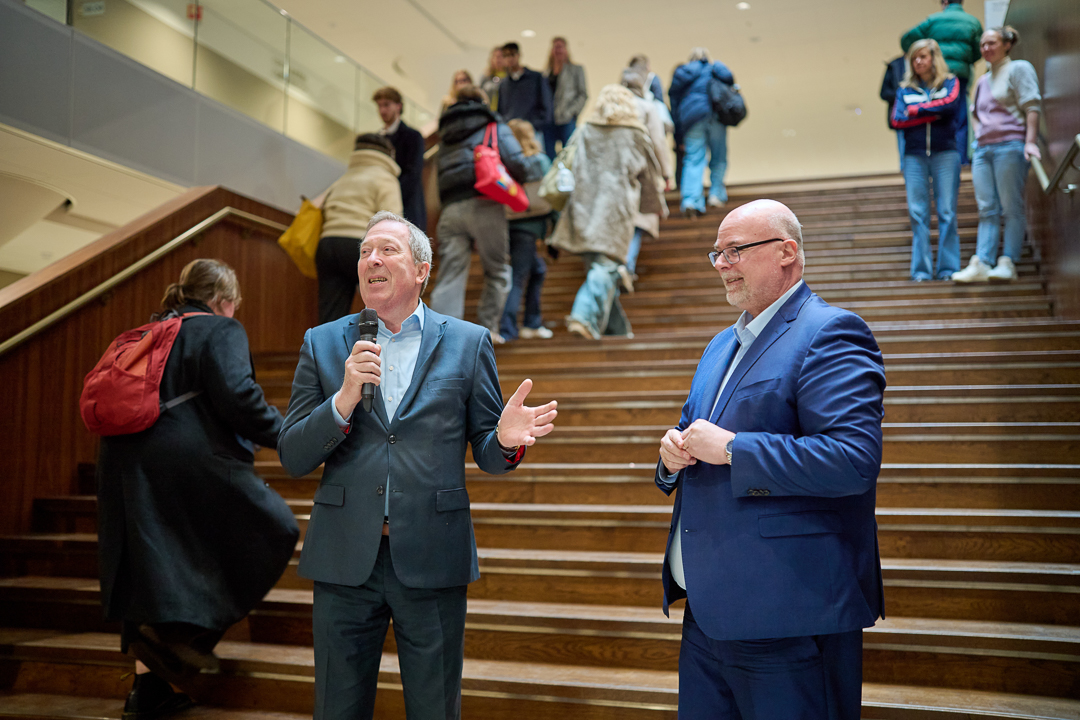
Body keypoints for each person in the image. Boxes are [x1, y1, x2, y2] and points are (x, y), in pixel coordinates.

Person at [277, 211, 558, 720]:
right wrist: (342, 399)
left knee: (434, 708)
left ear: (422, 270)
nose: (372, 260)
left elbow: (489, 453)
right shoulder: (323, 341)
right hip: (344, 558)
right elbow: (293, 455)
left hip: (433, 556)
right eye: (365, 251)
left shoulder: (468, 342)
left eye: (387, 250)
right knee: (337, 708)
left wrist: (505, 440)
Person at [656, 200, 886, 720]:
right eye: (717, 253)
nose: (721, 264)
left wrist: (733, 449)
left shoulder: (831, 332)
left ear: (787, 251)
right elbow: (694, 433)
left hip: (788, 612)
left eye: (735, 250)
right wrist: (671, 455)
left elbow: (852, 459)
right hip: (708, 611)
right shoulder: (721, 344)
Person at [96, 259, 298, 720]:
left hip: (122, 459)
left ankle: (148, 692)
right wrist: (292, 436)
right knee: (275, 528)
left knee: (150, 567)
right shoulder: (219, 328)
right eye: (236, 304)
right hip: (185, 459)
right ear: (224, 300)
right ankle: (177, 642)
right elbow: (239, 397)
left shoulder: (148, 333)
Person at [548, 84, 665, 340]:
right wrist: (655, 207)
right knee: (607, 266)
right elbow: (649, 176)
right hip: (616, 210)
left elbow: (568, 162)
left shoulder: (585, 129)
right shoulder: (635, 133)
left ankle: (618, 332)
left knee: (599, 267)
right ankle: (583, 317)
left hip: (583, 206)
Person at [429, 84, 531, 343]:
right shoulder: (492, 125)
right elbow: (518, 163)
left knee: (451, 274)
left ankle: (443, 336)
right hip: (486, 203)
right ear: (483, 102)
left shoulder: (445, 133)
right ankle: (487, 330)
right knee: (497, 270)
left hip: (451, 209)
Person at [952, 26, 1042, 284]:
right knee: (987, 208)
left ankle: (1008, 262)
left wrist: (1030, 142)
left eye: (992, 43)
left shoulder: (1018, 69)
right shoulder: (983, 80)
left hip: (1010, 146)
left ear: (1007, 44)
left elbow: (1032, 105)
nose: (986, 48)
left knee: (1011, 206)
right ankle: (982, 262)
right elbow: (975, 113)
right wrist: (979, 137)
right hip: (983, 151)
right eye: (983, 44)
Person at [891, 39, 963, 282]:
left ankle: (948, 269)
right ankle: (921, 271)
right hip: (914, 156)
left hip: (946, 154)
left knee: (947, 211)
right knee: (917, 213)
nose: (918, 62)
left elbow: (951, 107)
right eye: (914, 58)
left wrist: (917, 110)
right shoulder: (904, 89)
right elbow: (897, 120)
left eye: (922, 56)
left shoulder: (950, 82)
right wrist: (934, 113)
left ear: (934, 58)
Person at [316, 133, 403, 324]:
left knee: (331, 315)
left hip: (327, 244)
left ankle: (328, 344)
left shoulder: (343, 179)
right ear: (388, 154)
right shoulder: (385, 178)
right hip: (360, 245)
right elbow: (392, 221)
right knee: (381, 304)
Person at [901, 0, 983, 164]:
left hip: (937, 75)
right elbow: (979, 50)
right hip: (961, 73)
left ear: (944, 2)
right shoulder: (973, 22)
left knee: (937, 112)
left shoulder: (933, 20)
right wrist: (966, 59)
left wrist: (915, 53)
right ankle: (961, 159)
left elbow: (906, 39)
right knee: (960, 118)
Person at [501, 119, 555, 341]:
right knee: (518, 276)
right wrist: (555, 230)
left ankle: (532, 323)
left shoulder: (503, 165)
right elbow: (553, 194)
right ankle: (507, 329)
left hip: (508, 224)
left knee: (537, 270)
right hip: (529, 228)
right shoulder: (540, 161)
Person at [621, 66, 672, 288]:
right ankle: (626, 266)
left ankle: (616, 267)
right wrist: (666, 173)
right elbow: (658, 142)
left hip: (612, 174)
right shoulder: (647, 107)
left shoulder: (611, 108)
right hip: (640, 171)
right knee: (638, 219)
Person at [669, 48, 735, 217]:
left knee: (693, 159)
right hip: (716, 115)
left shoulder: (683, 73)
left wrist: (678, 134)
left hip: (692, 118)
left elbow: (674, 104)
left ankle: (690, 200)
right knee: (718, 157)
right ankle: (715, 195)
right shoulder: (715, 69)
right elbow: (730, 80)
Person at [373, 86, 427, 230]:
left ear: (398, 106)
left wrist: (390, 195)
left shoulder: (413, 136)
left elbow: (413, 174)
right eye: (379, 106)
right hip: (380, 207)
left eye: (386, 105)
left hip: (406, 207)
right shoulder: (376, 139)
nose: (382, 110)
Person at [497, 42, 554, 149]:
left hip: (532, 133)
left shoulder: (536, 78)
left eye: (512, 54)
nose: (510, 59)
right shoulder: (503, 84)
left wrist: (535, 125)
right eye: (506, 55)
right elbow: (501, 110)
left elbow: (546, 106)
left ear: (518, 55)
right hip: (510, 134)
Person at [543, 36, 588, 159]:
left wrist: (572, 112)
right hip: (548, 120)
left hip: (567, 119)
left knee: (569, 153)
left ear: (566, 49)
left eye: (560, 47)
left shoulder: (576, 70)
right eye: (555, 47)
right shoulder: (546, 73)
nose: (558, 50)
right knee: (549, 154)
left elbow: (583, 94)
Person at [879, 55, 908, 171]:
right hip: (901, 116)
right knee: (903, 149)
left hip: (921, 114)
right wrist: (902, 96)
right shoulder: (894, 65)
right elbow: (884, 93)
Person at [479, 46, 505, 112]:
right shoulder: (485, 77)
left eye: (500, 56)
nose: (498, 59)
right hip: (488, 111)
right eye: (495, 56)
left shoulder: (509, 77)